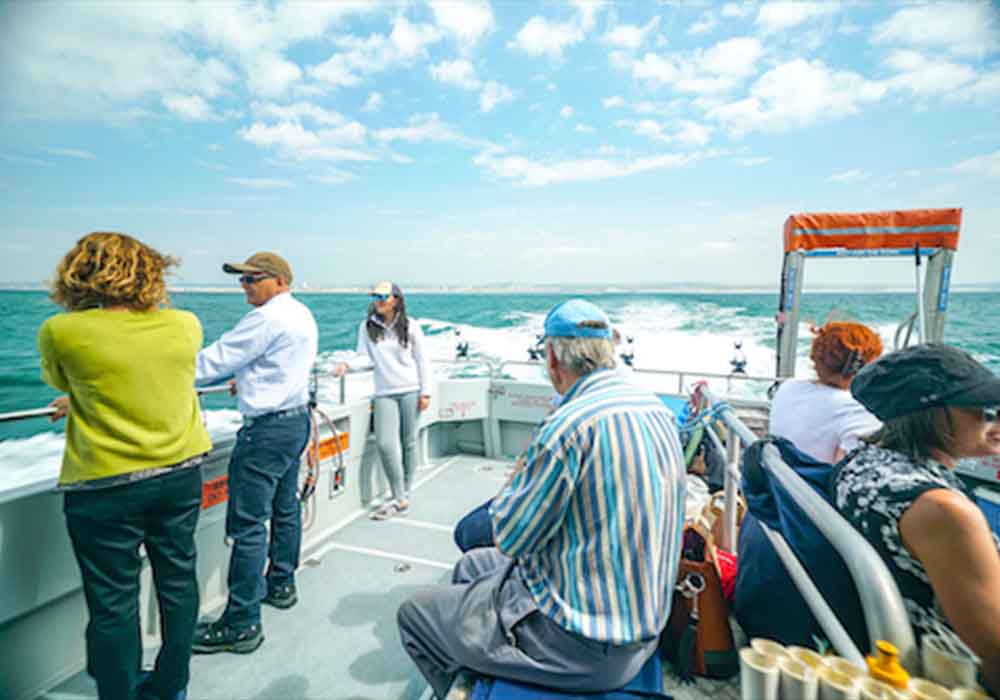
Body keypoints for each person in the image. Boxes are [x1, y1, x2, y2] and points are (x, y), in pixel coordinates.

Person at [398, 299, 685, 698]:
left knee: (414, 614)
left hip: (582, 646)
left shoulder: (567, 427)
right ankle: (487, 655)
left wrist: (519, 478)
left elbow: (511, 538)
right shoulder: (657, 411)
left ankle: (478, 682)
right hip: (642, 626)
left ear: (552, 359)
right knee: (471, 565)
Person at [38, 232, 211, 700]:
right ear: (150, 272)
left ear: (78, 272)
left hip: (104, 486)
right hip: (179, 474)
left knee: (113, 601)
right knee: (178, 582)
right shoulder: (185, 324)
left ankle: (119, 691)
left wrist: (77, 398)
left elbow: (62, 378)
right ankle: (171, 685)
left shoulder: (61, 331)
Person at [836, 344, 1000, 694]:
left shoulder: (860, 462)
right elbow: (994, 652)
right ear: (935, 415)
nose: (997, 420)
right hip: (944, 673)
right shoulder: (943, 511)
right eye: (986, 411)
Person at [191, 252, 317, 655]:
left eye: (252, 279)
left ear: (279, 281)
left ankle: (242, 623)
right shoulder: (301, 313)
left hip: (266, 433)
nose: (244, 286)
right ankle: (281, 584)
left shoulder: (266, 318)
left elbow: (208, 364)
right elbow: (278, 365)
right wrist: (246, 379)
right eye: (242, 280)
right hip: (295, 423)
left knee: (247, 526)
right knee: (286, 508)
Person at [333, 281, 431, 520]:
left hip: (411, 390)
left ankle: (404, 492)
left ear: (395, 299)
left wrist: (425, 392)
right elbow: (364, 357)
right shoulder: (367, 327)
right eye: (375, 296)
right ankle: (399, 496)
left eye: (383, 296)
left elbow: (422, 360)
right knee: (386, 444)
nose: (378, 301)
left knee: (408, 442)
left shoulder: (410, 326)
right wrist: (347, 365)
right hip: (384, 392)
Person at [769, 321, 883, 463]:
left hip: (775, 473)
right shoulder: (857, 410)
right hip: (805, 478)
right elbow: (846, 470)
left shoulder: (788, 387)